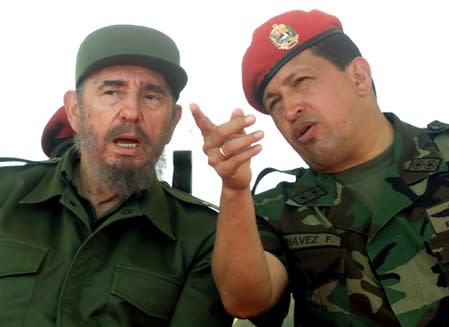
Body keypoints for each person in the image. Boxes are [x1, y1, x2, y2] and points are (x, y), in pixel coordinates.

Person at [190, 8, 449, 327]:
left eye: (301, 82)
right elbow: (246, 300)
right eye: (274, 103)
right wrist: (233, 189)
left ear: (359, 76)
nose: (289, 108)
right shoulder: (277, 210)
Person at [0, 24, 233, 326]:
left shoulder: (202, 238)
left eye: (151, 97)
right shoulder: (5, 194)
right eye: (112, 92)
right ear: (74, 110)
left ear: (173, 122)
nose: (131, 112)